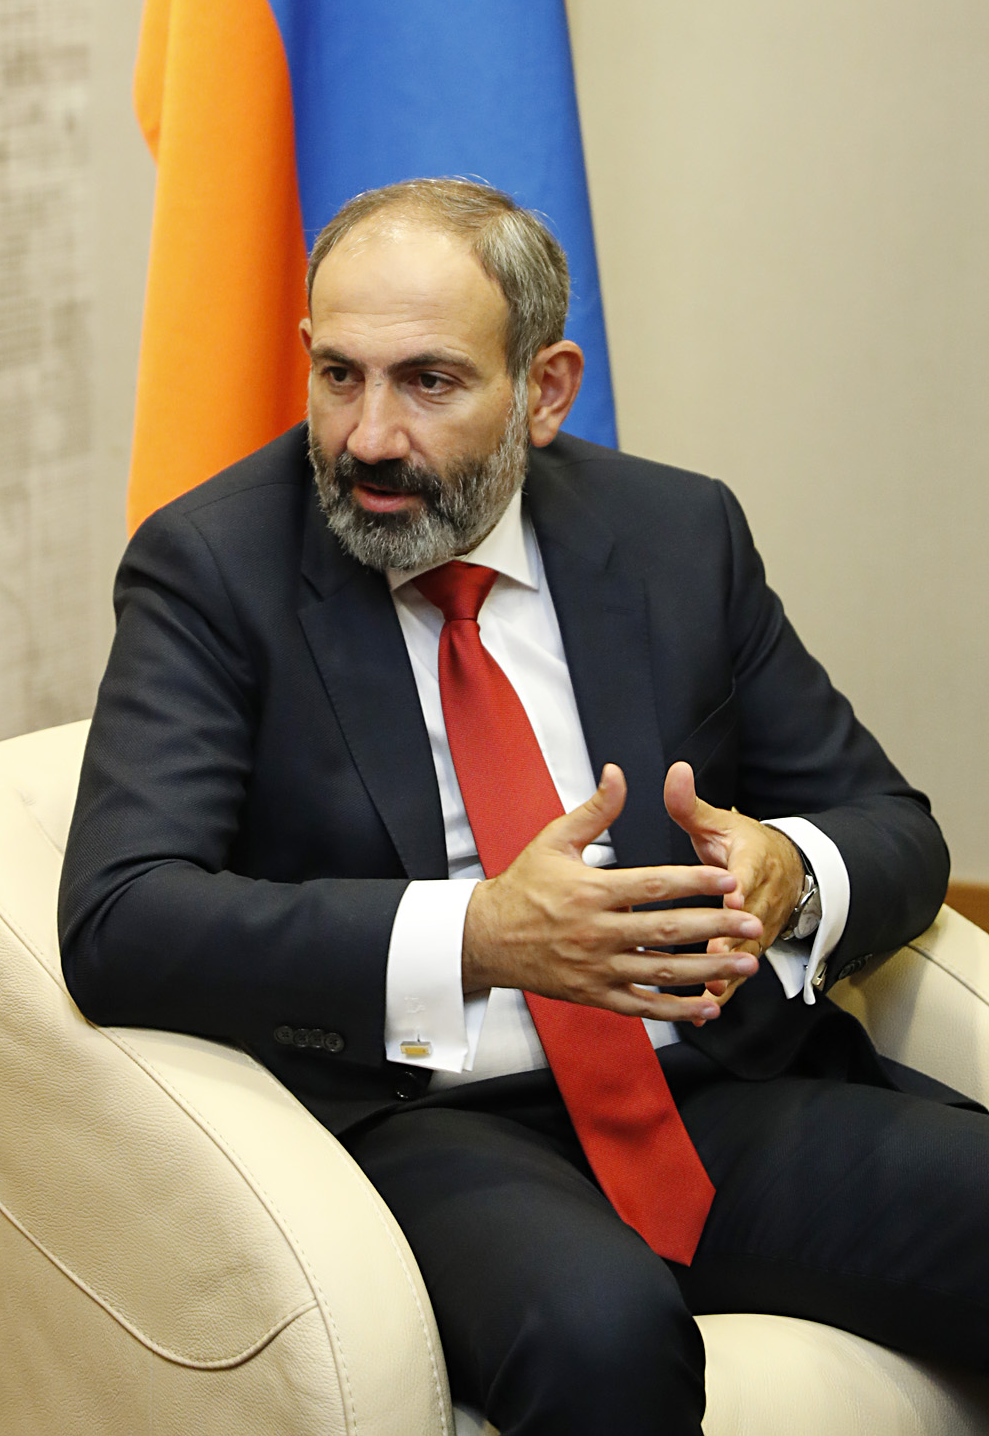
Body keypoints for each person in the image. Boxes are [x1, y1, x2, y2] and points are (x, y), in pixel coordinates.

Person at [59, 178, 988, 1435]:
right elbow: (121, 916)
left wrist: (788, 868)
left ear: (544, 390)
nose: (369, 434)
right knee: (599, 1332)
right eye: (339, 375)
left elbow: (891, 821)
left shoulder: (677, 533)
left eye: (428, 382)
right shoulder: (212, 567)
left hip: (711, 1081)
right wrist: (478, 935)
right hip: (430, 1116)